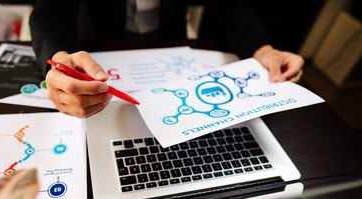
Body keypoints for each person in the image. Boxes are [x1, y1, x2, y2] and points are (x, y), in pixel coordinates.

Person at [30, 0, 304, 118]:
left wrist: (262, 48)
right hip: (99, 42)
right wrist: (57, 57)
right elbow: (50, 11)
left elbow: (229, 5)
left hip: (169, 41)